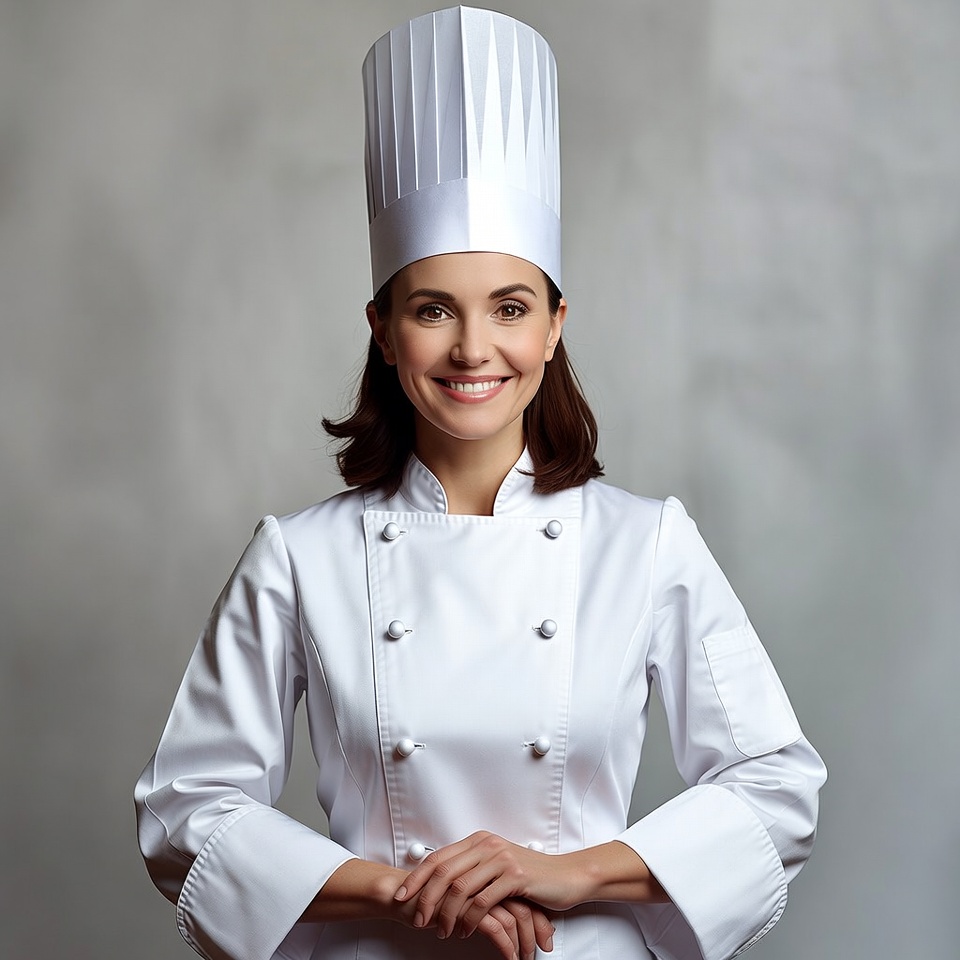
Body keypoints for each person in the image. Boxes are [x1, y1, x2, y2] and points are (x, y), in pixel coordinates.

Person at [135, 8, 826, 960]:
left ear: (553, 325)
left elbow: (778, 789)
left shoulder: (646, 541)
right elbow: (186, 813)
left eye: (509, 307)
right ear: (384, 329)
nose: (473, 349)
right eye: (433, 310)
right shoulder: (299, 557)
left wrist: (569, 871)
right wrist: (403, 890)